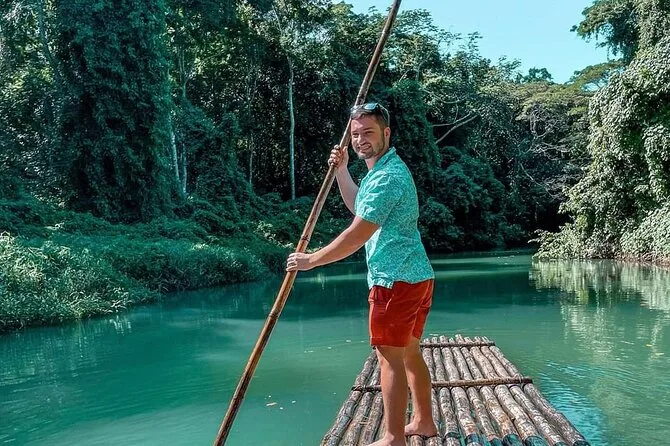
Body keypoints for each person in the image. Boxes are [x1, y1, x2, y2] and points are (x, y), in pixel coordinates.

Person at [286, 103, 438, 445]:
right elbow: (360, 206)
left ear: (387, 133)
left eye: (368, 132)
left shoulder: (386, 178)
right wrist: (342, 171)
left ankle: (393, 437)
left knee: (389, 358)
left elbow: (357, 234)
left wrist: (311, 260)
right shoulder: (382, 171)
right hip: (416, 276)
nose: (360, 140)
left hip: (395, 281)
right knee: (409, 352)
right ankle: (423, 422)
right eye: (355, 134)